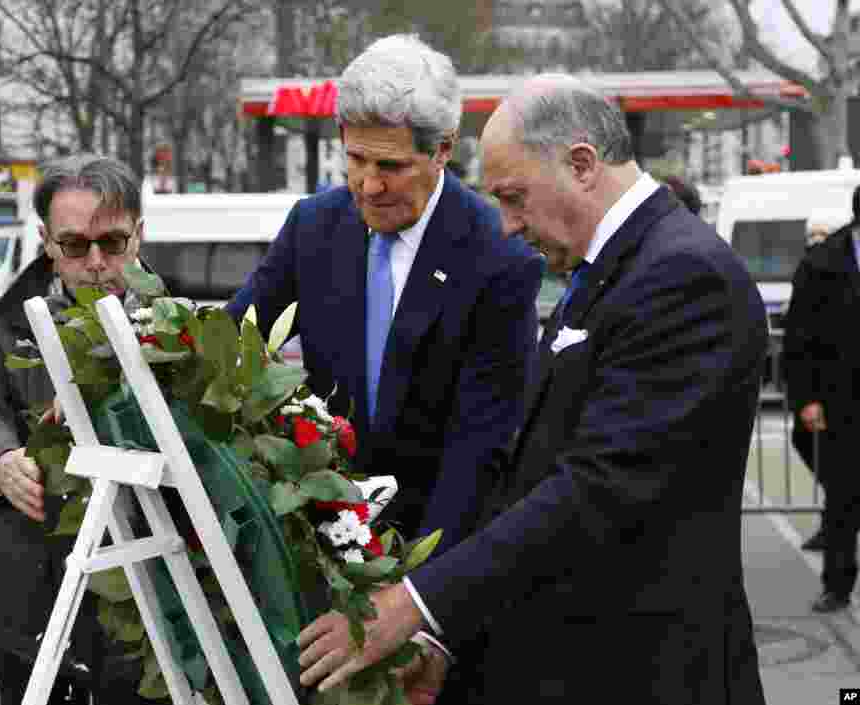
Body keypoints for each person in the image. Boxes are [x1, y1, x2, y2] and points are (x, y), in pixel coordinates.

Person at [296, 74, 768, 704]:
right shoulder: (619, 266)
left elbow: (599, 486)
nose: (509, 226)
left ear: (581, 164)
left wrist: (415, 605)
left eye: (515, 198)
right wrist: (445, 636)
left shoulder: (682, 274)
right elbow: (531, 474)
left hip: (648, 672)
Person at [228, 34, 543, 559]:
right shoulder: (313, 227)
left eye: (391, 167)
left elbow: (480, 451)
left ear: (443, 149)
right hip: (320, 545)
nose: (368, 186)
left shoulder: (498, 256)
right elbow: (235, 343)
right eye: (355, 160)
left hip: (438, 553)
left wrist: (420, 599)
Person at [0, 154, 162, 704]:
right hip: (28, 597)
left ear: (139, 236)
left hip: (149, 604)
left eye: (112, 242)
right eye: (75, 245)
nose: (96, 261)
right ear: (46, 242)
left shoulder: (178, 322)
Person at [783, 186, 860, 610]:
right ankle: (838, 583)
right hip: (841, 398)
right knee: (843, 494)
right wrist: (807, 399)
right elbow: (799, 338)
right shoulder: (822, 263)